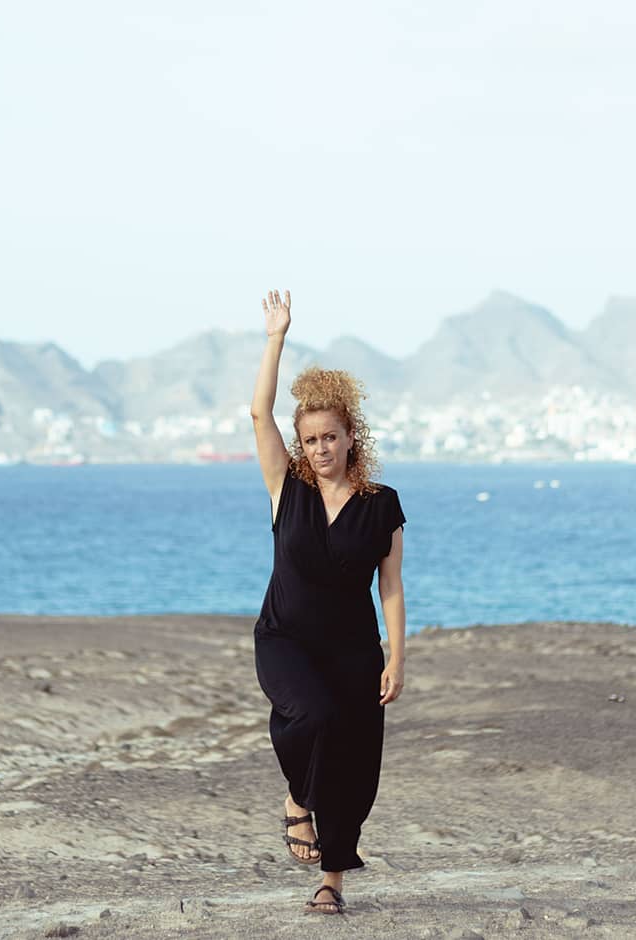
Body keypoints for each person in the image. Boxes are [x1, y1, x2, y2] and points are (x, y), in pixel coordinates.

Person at [248, 289, 407, 916]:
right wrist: (275, 338)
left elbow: (390, 585)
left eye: (329, 437)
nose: (318, 448)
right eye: (309, 439)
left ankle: (331, 884)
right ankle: (295, 800)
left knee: (352, 766)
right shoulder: (285, 488)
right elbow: (259, 414)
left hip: (353, 652)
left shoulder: (381, 505)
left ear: (349, 438)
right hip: (284, 638)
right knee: (308, 717)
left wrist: (397, 656)